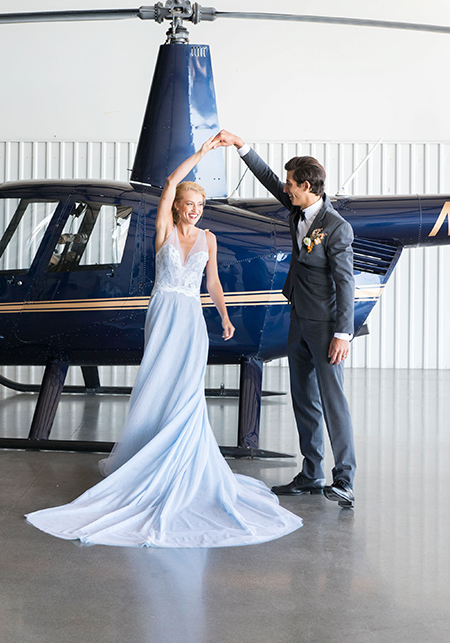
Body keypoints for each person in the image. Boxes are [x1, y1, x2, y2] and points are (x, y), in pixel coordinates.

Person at [25, 136, 302, 547]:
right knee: (159, 383)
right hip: (164, 312)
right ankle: (147, 455)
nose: (195, 210)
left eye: (200, 206)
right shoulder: (165, 228)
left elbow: (213, 284)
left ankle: (183, 459)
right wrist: (205, 154)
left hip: (191, 317)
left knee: (188, 389)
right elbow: (171, 181)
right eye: (190, 204)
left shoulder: (208, 238)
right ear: (178, 206)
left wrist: (225, 319)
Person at [216, 130, 356, 509]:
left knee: (332, 401)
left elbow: (346, 284)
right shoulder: (298, 208)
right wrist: (241, 146)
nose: (287, 189)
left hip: (327, 326)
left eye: (292, 184)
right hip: (297, 320)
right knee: (304, 399)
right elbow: (269, 178)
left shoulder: (337, 227)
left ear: (307, 186)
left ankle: (344, 480)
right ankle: (311, 473)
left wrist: (343, 334)